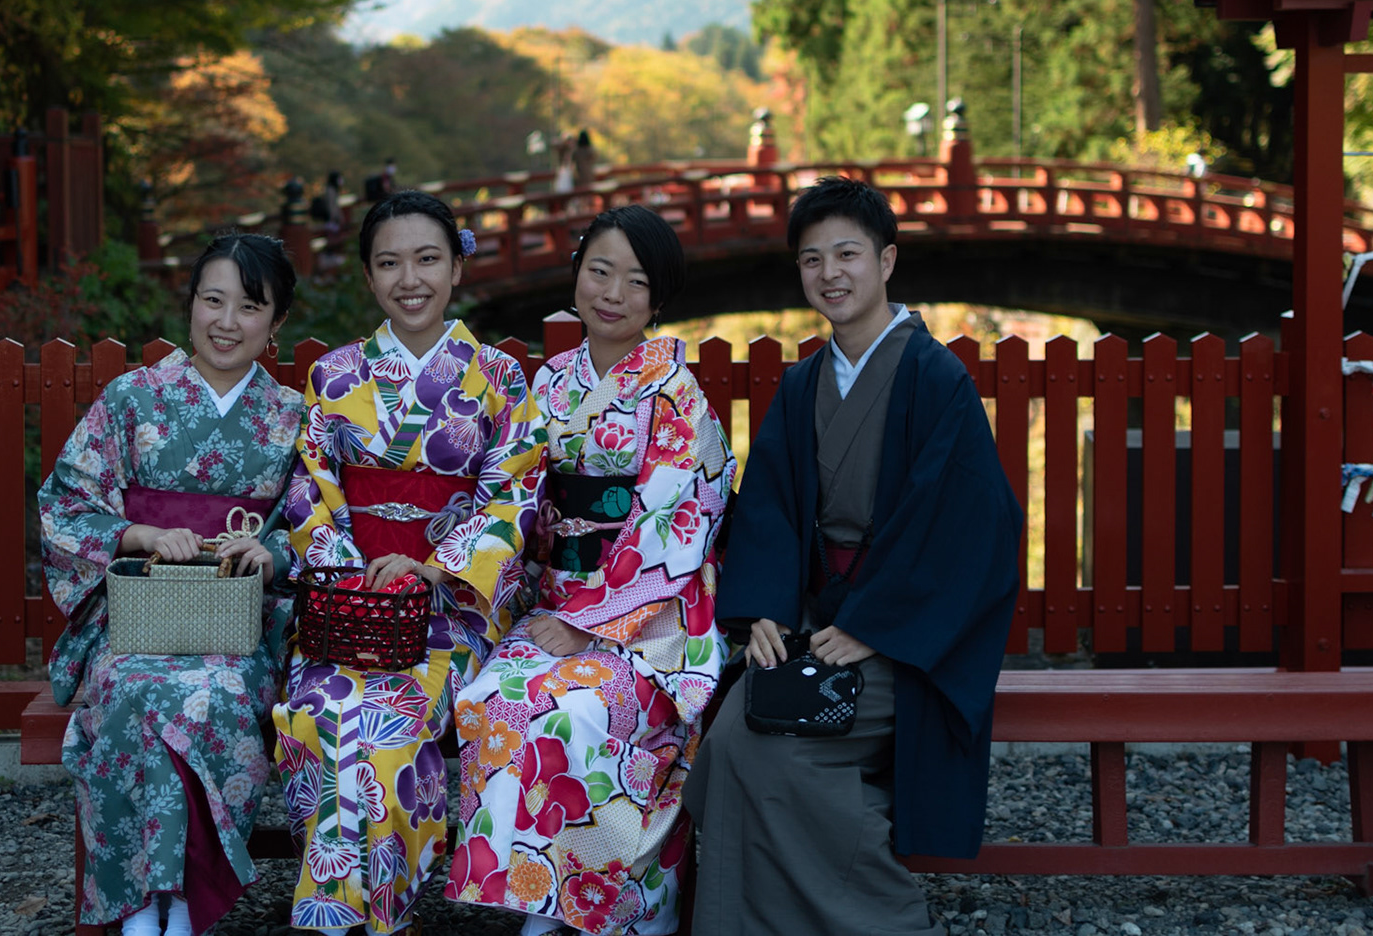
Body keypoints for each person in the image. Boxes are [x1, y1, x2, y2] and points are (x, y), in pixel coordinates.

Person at [682, 176, 1021, 936]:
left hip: (907, 640)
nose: (830, 273)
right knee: (732, 740)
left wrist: (878, 627)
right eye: (812, 259)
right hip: (811, 622)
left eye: (847, 254)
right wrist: (764, 608)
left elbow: (973, 530)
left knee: (776, 756)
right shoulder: (803, 385)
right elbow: (766, 505)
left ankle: (885, 917)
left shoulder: (938, 381)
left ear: (887, 259)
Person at [448, 204, 732, 936]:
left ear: (657, 298)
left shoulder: (676, 395)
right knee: (494, 699)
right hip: (553, 606)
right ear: (576, 276)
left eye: (635, 281)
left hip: (648, 624)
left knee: (574, 711)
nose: (612, 293)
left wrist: (586, 625)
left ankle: (600, 905)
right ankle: (539, 895)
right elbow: (510, 500)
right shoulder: (549, 386)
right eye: (599, 271)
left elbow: (676, 523)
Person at [274, 190, 546, 934]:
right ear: (368, 277)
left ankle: (372, 912)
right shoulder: (333, 377)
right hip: (348, 607)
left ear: (457, 265)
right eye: (388, 263)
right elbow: (311, 492)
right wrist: (353, 574)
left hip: (446, 614)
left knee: (390, 730)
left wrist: (435, 570)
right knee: (321, 712)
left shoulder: (498, 377)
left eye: (428, 259)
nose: (410, 278)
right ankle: (344, 911)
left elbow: (511, 499)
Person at [39, 234, 306, 936]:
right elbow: (66, 502)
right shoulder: (132, 398)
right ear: (190, 304)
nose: (226, 321)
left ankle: (181, 905)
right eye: (212, 300)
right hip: (137, 618)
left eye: (249, 307)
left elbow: (316, 528)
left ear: (275, 324)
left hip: (238, 624)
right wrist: (138, 535)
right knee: (134, 692)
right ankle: (141, 909)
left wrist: (269, 549)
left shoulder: (291, 419)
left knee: (210, 698)